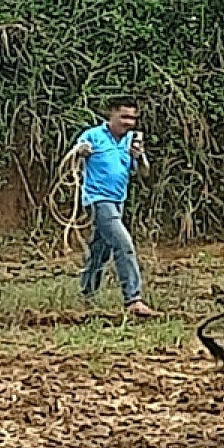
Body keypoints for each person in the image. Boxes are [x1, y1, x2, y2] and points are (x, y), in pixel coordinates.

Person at [73, 99, 156, 317]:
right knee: (123, 243)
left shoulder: (131, 141)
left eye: (132, 118)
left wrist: (140, 157)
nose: (129, 122)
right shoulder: (93, 135)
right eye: (124, 117)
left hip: (118, 200)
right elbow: (77, 153)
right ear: (111, 116)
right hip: (98, 200)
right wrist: (81, 151)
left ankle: (87, 294)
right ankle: (134, 299)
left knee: (100, 250)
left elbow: (144, 173)